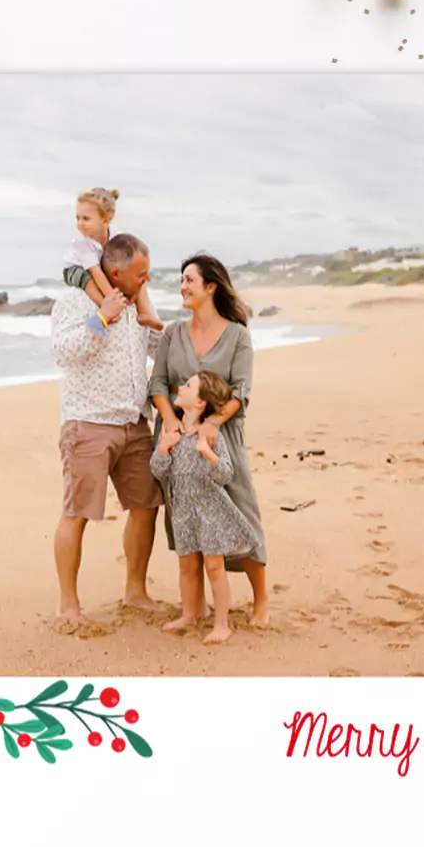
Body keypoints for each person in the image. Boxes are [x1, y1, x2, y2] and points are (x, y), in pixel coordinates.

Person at [150, 254, 269, 628]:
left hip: (222, 434)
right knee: (185, 517)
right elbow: (157, 383)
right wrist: (172, 422)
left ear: (210, 287)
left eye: (189, 280)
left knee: (240, 510)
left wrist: (212, 423)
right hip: (176, 435)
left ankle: (261, 600)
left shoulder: (237, 335)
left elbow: (241, 391)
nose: (182, 287)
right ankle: (195, 608)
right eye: (180, 280)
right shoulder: (173, 333)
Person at [50, 233, 163, 625]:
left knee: (146, 507)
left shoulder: (139, 305)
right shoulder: (75, 301)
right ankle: (69, 605)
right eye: (141, 274)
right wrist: (101, 318)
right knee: (77, 513)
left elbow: (159, 350)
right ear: (115, 272)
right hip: (89, 423)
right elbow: (63, 353)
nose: (146, 280)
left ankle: (135, 592)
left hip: (135, 423)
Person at [150, 371, 252, 645]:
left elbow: (225, 474)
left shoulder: (211, 435)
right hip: (182, 511)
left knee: (214, 567)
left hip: (211, 512)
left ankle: (221, 624)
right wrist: (163, 448)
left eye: (188, 386)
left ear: (200, 403)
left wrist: (208, 453)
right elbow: (158, 472)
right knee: (186, 566)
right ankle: (188, 614)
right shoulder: (170, 430)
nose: (180, 388)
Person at [65, 188, 164, 330]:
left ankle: (145, 313)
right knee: (88, 280)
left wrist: (133, 291)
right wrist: (112, 298)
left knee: (137, 274)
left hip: (98, 267)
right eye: (78, 218)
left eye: (85, 219)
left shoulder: (114, 238)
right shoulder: (83, 245)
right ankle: (105, 308)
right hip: (76, 269)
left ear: (106, 220)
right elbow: (96, 273)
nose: (80, 223)